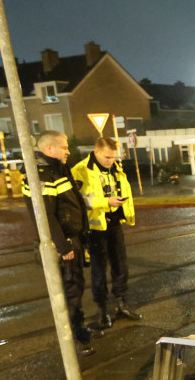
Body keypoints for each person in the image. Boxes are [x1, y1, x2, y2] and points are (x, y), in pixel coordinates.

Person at [23, 131, 98, 356]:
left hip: (72, 240)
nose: (68, 151)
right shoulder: (43, 175)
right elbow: (45, 217)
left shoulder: (57, 169)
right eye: (64, 147)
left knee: (75, 288)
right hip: (64, 244)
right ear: (49, 149)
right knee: (69, 293)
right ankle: (72, 340)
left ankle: (80, 331)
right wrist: (64, 247)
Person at [72, 138, 143, 329]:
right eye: (107, 157)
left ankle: (121, 304)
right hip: (95, 228)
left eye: (113, 157)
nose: (111, 161)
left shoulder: (115, 168)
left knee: (121, 266)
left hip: (113, 223)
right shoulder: (81, 170)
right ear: (96, 152)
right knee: (99, 271)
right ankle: (102, 312)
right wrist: (106, 203)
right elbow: (78, 201)